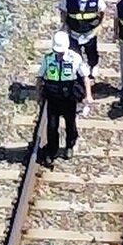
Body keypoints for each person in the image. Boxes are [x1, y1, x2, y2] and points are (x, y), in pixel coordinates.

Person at [39, 31, 90, 163]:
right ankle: (52, 149)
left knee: (70, 123)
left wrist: (88, 95)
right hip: (53, 96)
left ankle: (69, 145)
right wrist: (38, 95)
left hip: (69, 97)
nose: (59, 54)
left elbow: (85, 77)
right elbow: (40, 77)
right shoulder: (47, 58)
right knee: (51, 125)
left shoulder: (75, 58)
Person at [63, 0, 101, 73]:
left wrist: (100, 25)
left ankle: (93, 66)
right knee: (74, 54)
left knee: (92, 52)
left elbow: (103, 11)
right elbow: (63, 11)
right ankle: (78, 71)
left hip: (90, 32)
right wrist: (65, 25)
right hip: (74, 32)